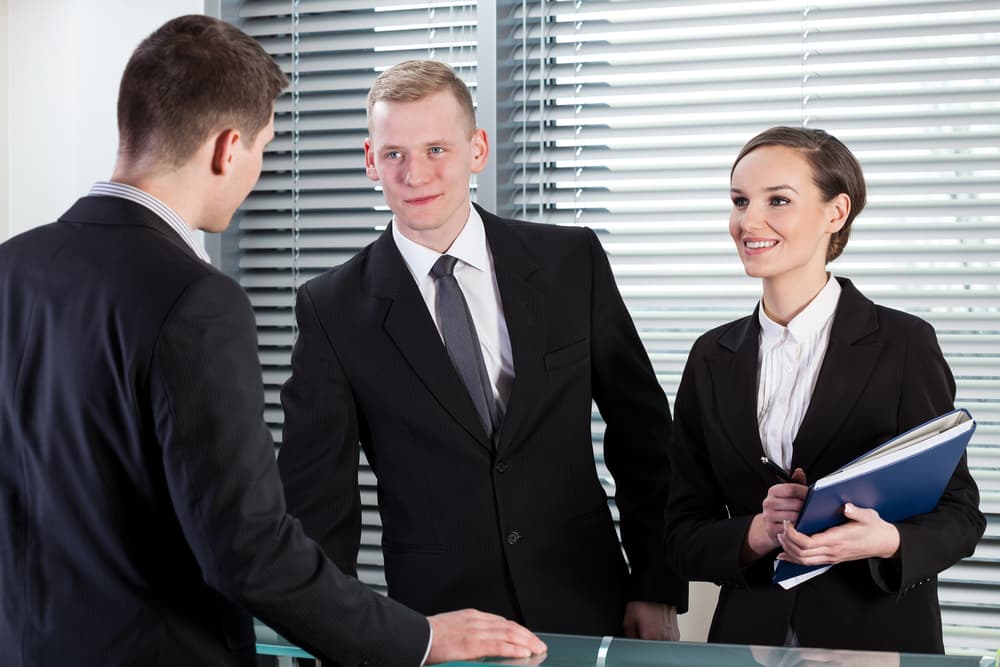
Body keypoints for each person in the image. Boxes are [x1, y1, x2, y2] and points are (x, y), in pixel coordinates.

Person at [0, 16, 545, 667]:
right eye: (263, 147)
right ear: (228, 148)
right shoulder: (195, 298)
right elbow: (248, 549)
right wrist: (421, 638)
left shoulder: (11, 266)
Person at [277, 59, 688, 640]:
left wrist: (655, 583)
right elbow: (318, 501)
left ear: (477, 149)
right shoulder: (332, 308)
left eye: (436, 149)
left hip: (587, 599)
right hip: (438, 621)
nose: (415, 174)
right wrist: (333, 635)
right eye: (394, 154)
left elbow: (643, 436)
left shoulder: (570, 262)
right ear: (370, 160)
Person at [664, 126, 985, 652]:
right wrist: (756, 533)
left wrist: (886, 540)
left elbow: (960, 513)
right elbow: (681, 534)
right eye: (740, 201)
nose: (749, 221)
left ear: (836, 212)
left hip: (876, 643)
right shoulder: (711, 357)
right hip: (748, 645)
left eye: (778, 200)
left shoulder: (903, 344)